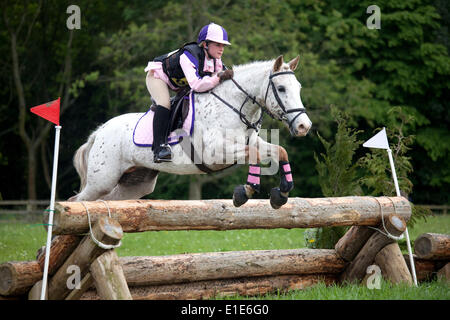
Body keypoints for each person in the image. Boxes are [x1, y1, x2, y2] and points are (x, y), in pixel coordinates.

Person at [144, 23, 234, 163]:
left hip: (180, 83)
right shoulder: (189, 55)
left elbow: (217, 82)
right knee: (165, 103)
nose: (221, 49)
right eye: (217, 45)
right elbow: (197, 85)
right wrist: (219, 77)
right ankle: (159, 148)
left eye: (223, 45)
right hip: (158, 76)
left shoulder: (216, 60)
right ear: (205, 44)